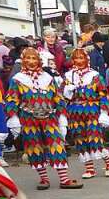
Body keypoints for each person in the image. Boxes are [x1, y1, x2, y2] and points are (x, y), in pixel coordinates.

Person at [5, 48, 83, 189]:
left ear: (39, 61)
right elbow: (12, 99)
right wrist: (13, 117)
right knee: (34, 147)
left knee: (57, 145)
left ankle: (64, 179)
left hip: (50, 117)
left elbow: (58, 98)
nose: (31, 61)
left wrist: (62, 118)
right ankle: (44, 179)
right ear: (23, 60)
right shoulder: (17, 79)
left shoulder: (47, 78)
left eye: (34, 58)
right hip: (28, 119)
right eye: (28, 58)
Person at [62, 48, 109, 179]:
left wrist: (104, 112)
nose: (79, 61)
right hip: (74, 111)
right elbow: (61, 96)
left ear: (87, 59)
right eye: (76, 58)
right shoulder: (68, 76)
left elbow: (103, 94)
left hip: (92, 110)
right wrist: (67, 91)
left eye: (82, 58)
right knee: (80, 139)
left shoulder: (95, 75)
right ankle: (89, 168)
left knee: (95, 138)